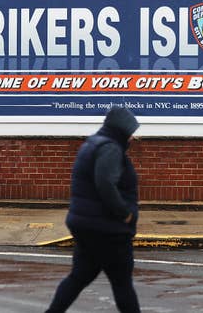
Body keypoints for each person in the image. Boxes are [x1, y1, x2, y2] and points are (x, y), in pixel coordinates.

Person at [46, 106, 141, 313]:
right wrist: (124, 213)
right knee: (122, 283)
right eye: (130, 132)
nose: (133, 138)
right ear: (120, 131)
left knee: (79, 277)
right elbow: (105, 183)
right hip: (107, 229)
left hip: (87, 226)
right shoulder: (110, 149)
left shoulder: (92, 144)